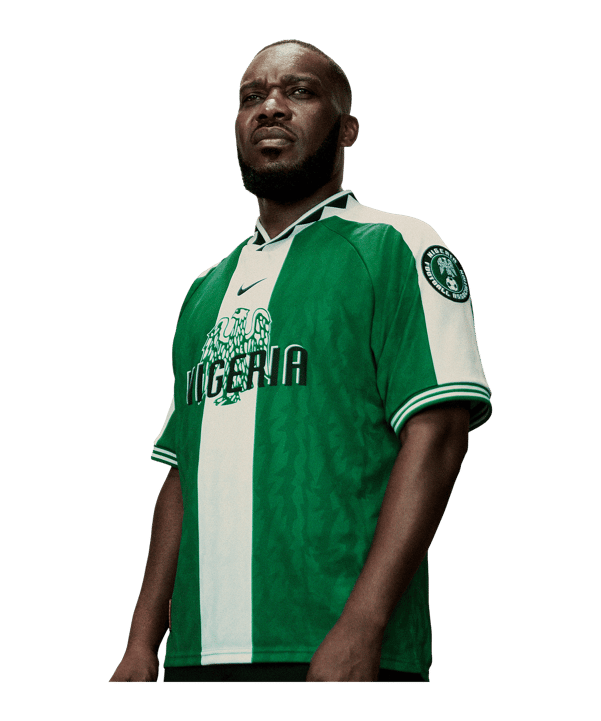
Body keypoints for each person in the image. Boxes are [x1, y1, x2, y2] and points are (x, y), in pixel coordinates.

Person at [109, 39, 492, 685]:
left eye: (300, 91)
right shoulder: (205, 288)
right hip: (199, 653)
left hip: (338, 649)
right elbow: (181, 473)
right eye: (251, 97)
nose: (270, 107)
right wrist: (142, 640)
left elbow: (439, 434)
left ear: (347, 130)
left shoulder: (395, 245)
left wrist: (362, 625)